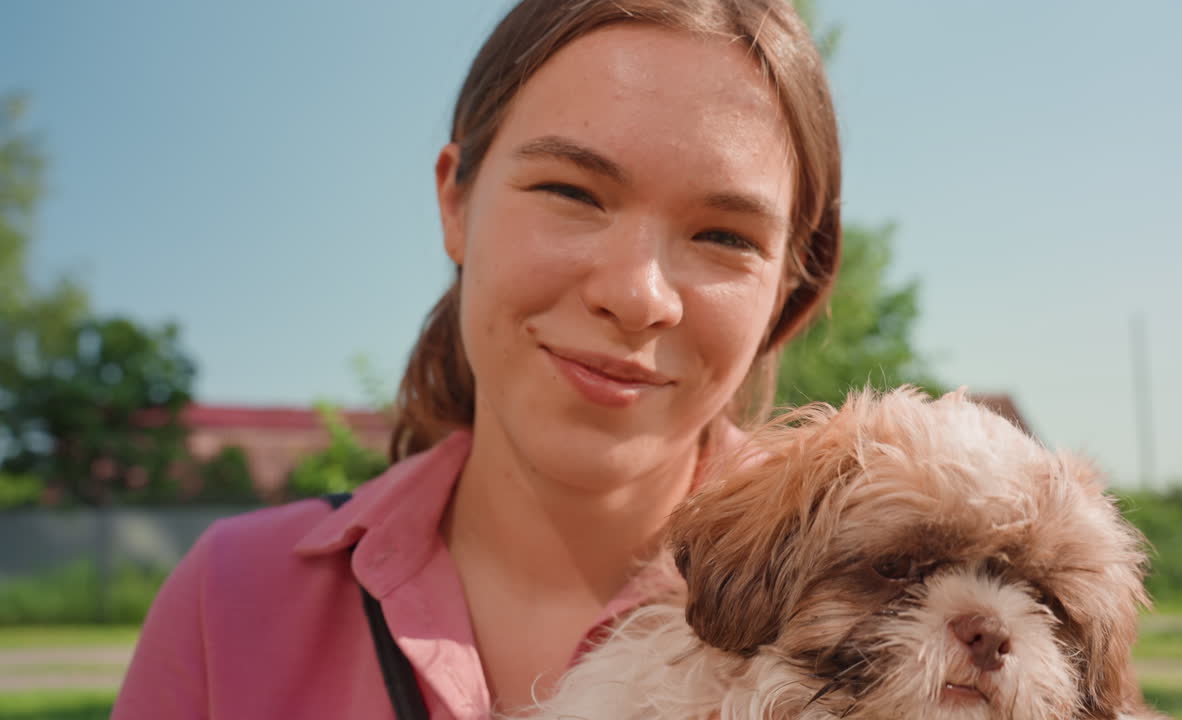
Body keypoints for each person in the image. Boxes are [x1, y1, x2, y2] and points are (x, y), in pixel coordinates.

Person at [112, 0, 842, 717]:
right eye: (571, 191)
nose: (636, 294)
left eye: (727, 236)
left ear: (789, 286)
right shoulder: (229, 600)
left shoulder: (898, 629)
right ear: (454, 203)